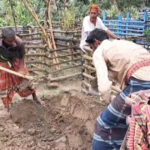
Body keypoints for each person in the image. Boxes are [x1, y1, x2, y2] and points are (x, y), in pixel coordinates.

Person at [85, 28, 150, 150]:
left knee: (104, 124)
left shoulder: (99, 51)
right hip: (142, 80)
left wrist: (109, 99)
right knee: (132, 121)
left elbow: (104, 88)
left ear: (97, 42)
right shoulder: (122, 44)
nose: (93, 50)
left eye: (92, 47)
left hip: (140, 83)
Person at [0, 27, 44, 115]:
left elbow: (22, 56)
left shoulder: (19, 42)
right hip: (3, 62)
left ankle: (35, 97)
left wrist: (21, 69)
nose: (12, 42)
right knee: (3, 84)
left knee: (26, 79)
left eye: (13, 39)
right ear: (3, 39)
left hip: (17, 60)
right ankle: (6, 106)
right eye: (10, 41)